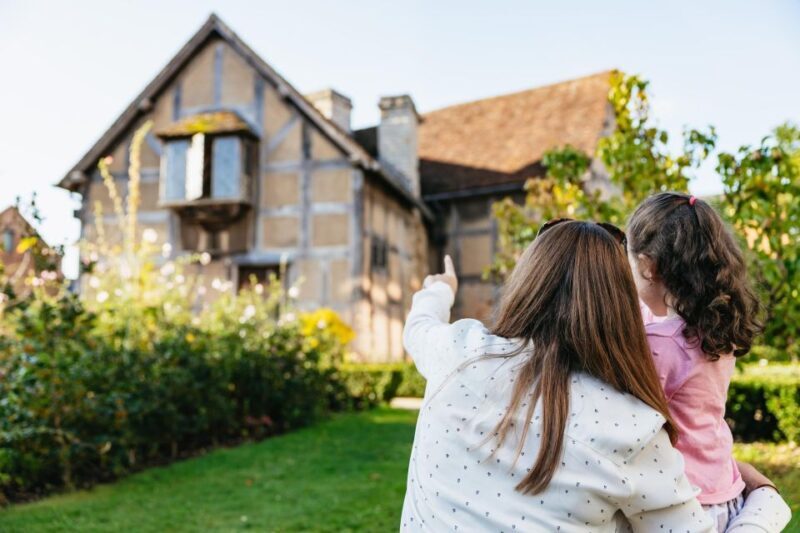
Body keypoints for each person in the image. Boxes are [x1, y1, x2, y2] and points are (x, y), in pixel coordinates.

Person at [400, 220, 790, 531]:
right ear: (619, 305)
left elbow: (418, 326)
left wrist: (439, 290)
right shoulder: (632, 428)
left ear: (527, 282)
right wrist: (767, 503)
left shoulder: (458, 352)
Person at [627, 192, 791, 531]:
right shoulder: (716, 328)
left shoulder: (660, 344)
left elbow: (630, 423)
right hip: (725, 490)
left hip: (681, 503)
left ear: (647, 265)